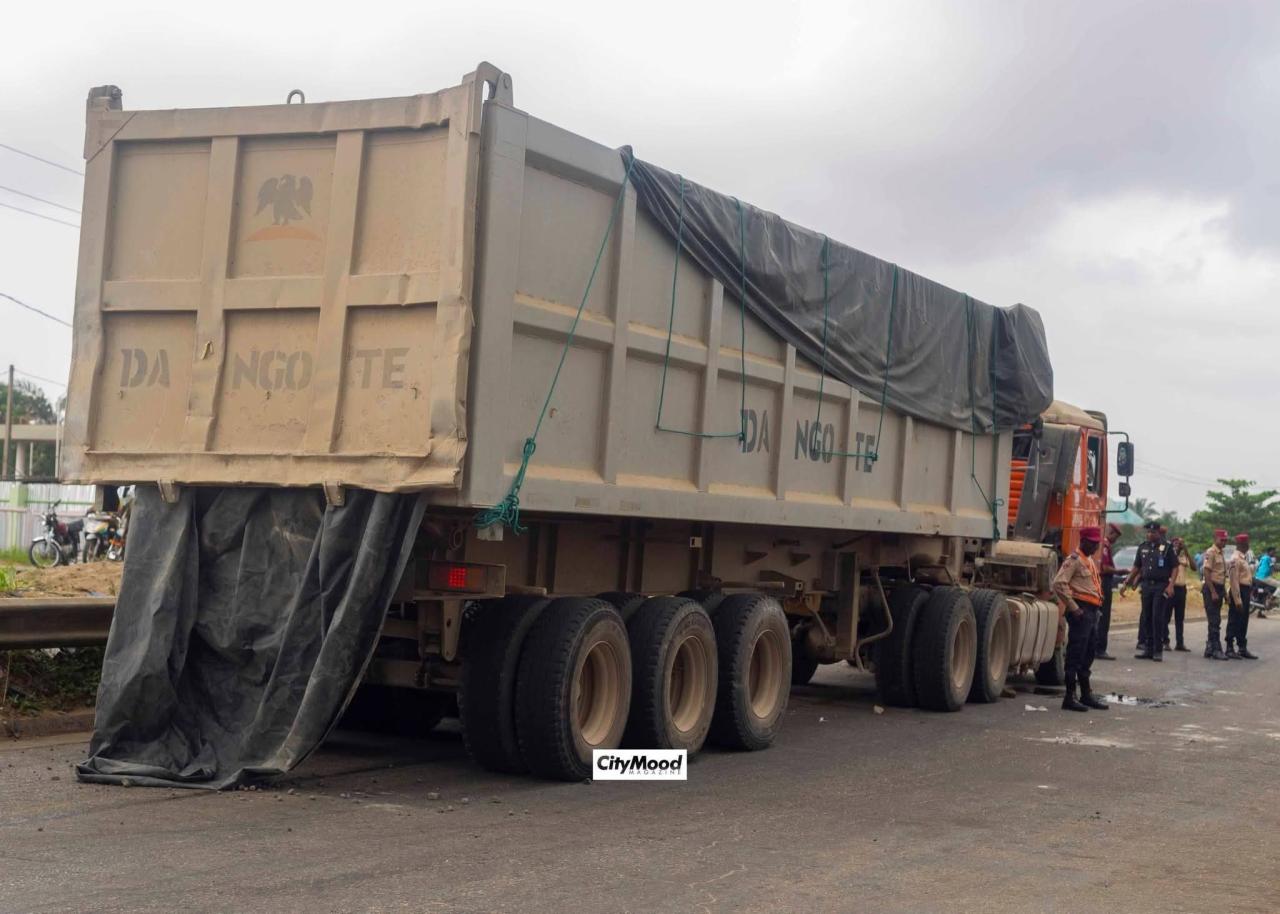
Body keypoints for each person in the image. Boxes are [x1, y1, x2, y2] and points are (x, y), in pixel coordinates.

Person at [1051, 525, 1108, 712]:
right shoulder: (1074, 560)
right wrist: (1074, 608)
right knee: (1076, 653)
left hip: (1091, 612)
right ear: (1083, 541)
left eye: (1097, 544)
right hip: (1081, 612)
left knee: (1088, 653)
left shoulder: (1088, 560)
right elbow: (1059, 583)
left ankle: (1085, 694)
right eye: (1092, 543)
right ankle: (1069, 696)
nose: (1095, 547)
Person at [1120, 520, 1175, 661]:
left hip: (1160, 586)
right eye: (1148, 532)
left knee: (1157, 617)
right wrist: (1126, 582)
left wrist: (1170, 585)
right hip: (1146, 586)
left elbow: (1175, 567)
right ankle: (1148, 649)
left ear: (1158, 533)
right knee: (1147, 617)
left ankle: (1157, 650)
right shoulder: (1142, 547)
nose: (1150, 534)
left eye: (1153, 532)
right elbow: (1136, 567)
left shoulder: (1167, 547)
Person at [1226, 533, 1259, 659]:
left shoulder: (1243, 558)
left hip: (1245, 590)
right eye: (1247, 542)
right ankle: (1229, 647)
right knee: (1234, 619)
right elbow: (1233, 581)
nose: (1249, 544)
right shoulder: (1235, 558)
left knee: (1243, 620)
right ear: (1242, 544)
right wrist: (1237, 600)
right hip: (1239, 590)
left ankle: (1242, 647)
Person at [1095, 523, 1122, 660]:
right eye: (1115, 537)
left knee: (1098, 616)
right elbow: (1105, 568)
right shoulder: (1104, 546)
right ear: (1111, 533)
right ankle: (1100, 649)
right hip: (1104, 582)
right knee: (1104, 617)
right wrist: (1119, 571)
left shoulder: (1102, 544)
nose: (1115, 540)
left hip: (1099, 583)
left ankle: (1095, 647)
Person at [1201, 529, 1228, 660]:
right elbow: (1206, 573)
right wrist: (1212, 592)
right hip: (1211, 588)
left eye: (1225, 540)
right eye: (1221, 540)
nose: (1224, 542)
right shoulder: (1211, 552)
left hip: (1219, 588)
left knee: (1215, 620)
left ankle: (1209, 648)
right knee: (1214, 621)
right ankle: (1216, 649)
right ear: (1215, 539)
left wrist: (1225, 594)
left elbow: (1222, 575)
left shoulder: (1221, 553)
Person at [1163, 537, 1192, 652]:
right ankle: (1165, 641)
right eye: (1176, 543)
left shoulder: (1184, 557)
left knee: (1180, 618)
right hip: (1171, 588)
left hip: (1181, 588)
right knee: (1166, 616)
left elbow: (1194, 567)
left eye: (1181, 543)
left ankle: (1180, 643)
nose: (1179, 545)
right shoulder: (1168, 555)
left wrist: (1187, 552)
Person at [1255, 546, 1276, 619]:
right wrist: (1274, 571)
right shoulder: (1268, 558)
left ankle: (1260, 613)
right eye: (1273, 552)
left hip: (1258, 577)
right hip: (1264, 577)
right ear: (1269, 552)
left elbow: (1257, 567)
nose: (1274, 553)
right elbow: (1273, 568)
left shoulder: (1262, 558)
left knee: (1263, 594)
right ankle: (1271, 599)